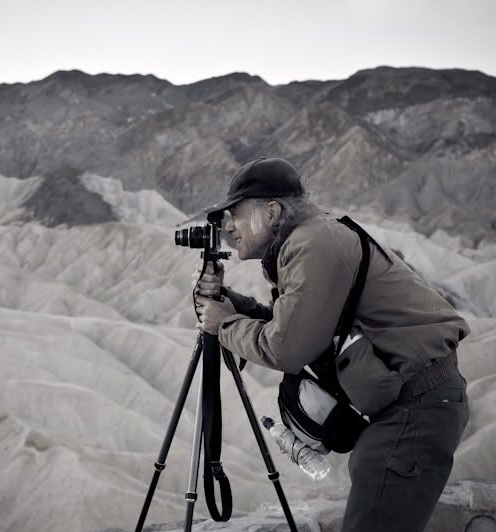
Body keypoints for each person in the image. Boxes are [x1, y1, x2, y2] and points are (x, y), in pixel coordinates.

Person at [193, 157, 470, 532]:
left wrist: (224, 324)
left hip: (416, 408)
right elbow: (302, 327)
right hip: (411, 407)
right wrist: (237, 308)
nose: (228, 226)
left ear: (271, 211)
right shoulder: (310, 237)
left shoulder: (312, 245)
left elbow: (288, 349)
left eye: (235, 215)